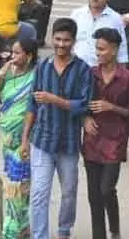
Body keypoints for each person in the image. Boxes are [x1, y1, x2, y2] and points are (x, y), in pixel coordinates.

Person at [22, 17, 92, 239]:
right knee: (39, 194)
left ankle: (63, 231)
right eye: (58, 39)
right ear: (52, 39)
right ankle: (40, 235)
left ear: (74, 41)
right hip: (41, 141)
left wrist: (54, 99)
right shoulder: (42, 67)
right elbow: (31, 105)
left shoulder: (83, 70)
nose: (61, 44)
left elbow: (83, 105)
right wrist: (25, 139)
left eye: (66, 40)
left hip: (69, 143)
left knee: (69, 193)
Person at [0, 36, 39, 239]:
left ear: (29, 56)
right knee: (14, 185)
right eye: (12, 52)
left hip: (25, 139)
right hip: (7, 141)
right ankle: (22, 227)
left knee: (18, 186)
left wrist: (25, 138)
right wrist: (0, 74)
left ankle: (11, 230)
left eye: (17, 53)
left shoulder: (36, 77)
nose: (12, 57)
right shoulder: (8, 75)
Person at [83, 28, 129, 239]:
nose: (98, 53)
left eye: (102, 49)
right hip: (91, 139)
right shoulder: (90, 74)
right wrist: (85, 119)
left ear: (114, 50)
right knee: (93, 195)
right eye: (97, 48)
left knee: (106, 189)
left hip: (115, 140)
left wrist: (111, 107)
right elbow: (81, 104)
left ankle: (114, 229)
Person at [72, 0, 129, 67]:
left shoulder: (115, 19)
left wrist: (122, 72)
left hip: (101, 72)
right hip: (77, 69)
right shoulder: (77, 15)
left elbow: (122, 48)